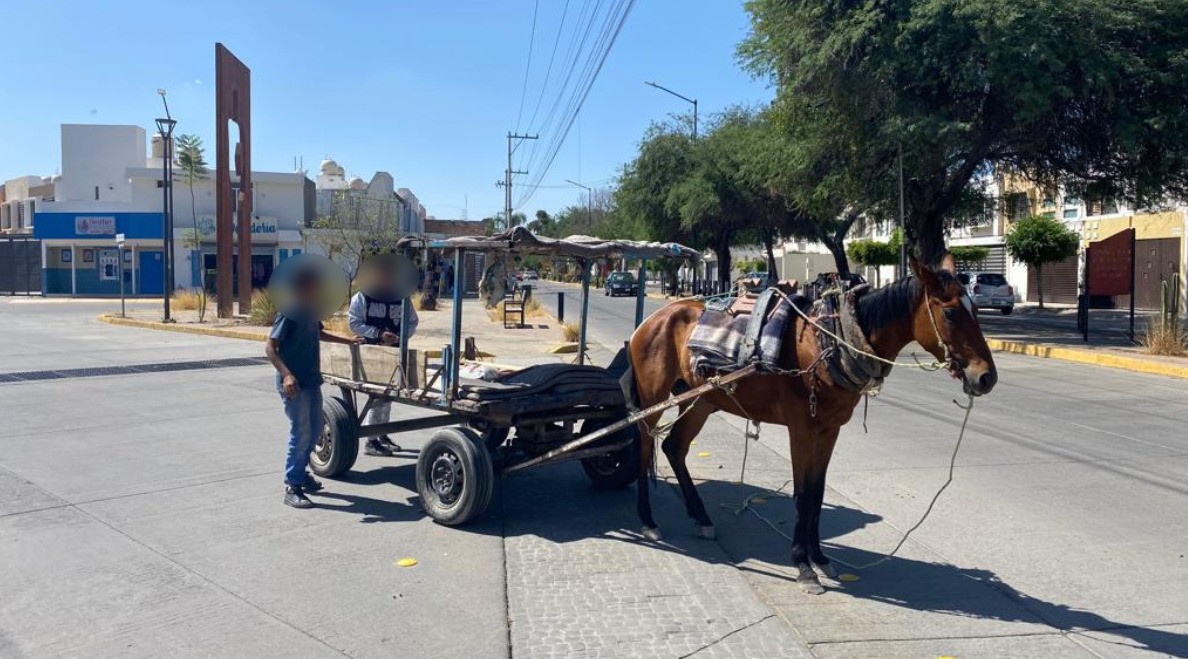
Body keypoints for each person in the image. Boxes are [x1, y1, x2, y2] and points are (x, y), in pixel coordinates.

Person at [265, 267, 362, 509]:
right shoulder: (289, 312)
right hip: (294, 384)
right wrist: (286, 375)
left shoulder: (310, 311)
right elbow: (269, 347)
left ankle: (300, 472)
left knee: (317, 427)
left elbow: (318, 333)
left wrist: (347, 340)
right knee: (301, 431)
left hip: (311, 379)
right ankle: (292, 485)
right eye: (313, 286)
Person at [348, 263, 420, 457]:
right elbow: (354, 323)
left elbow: (412, 321)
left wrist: (400, 336)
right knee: (377, 395)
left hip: (394, 352)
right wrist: (378, 334)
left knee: (388, 396)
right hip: (372, 353)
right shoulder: (363, 298)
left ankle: (382, 434)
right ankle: (371, 441)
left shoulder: (402, 297)